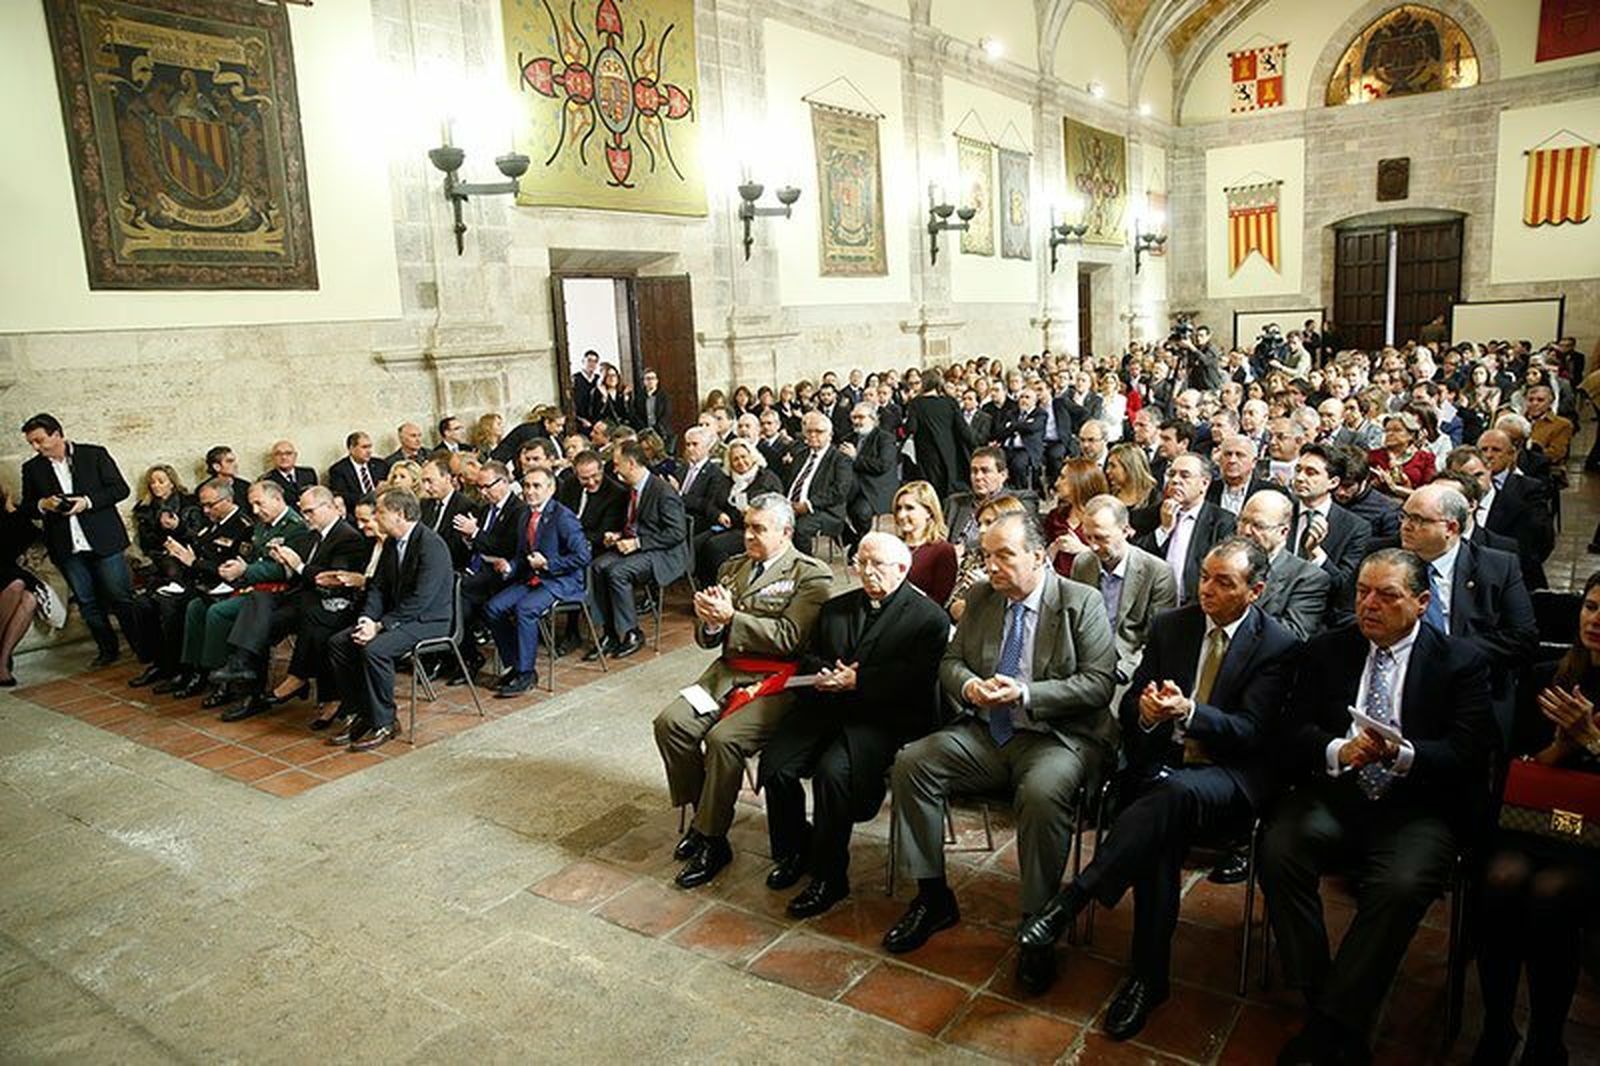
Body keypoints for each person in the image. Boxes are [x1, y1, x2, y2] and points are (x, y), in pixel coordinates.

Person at [1020, 538, 1297, 1039]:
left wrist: (1191, 713)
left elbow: (1253, 732)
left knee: (1168, 800)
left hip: (1227, 778)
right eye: (1204, 576)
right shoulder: (1174, 625)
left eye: (1224, 583)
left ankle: (1073, 900)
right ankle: (1148, 979)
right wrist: (1147, 713)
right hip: (1162, 769)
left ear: (1254, 591)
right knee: (1159, 831)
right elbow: (1131, 705)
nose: (1207, 589)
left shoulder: (1276, 645)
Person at [1264, 550, 1495, 1066]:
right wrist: (1338, 750)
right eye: (1362, 592)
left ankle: (1331, 1021)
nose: (1369, 605)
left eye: (1387, 596)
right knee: (1279, 851)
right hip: (1340, 794)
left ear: (1422, 601)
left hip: (1418, 807)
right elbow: (1291, 730)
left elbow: (1467, 753)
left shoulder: (1460, 662)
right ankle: (1325, 994)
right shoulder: (1328, 649)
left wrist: (1403, 754)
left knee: (1401, 885)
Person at [884, 511, 1117, 995]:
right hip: (989, 731)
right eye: (987, 556)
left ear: (1038, 556)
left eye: (1004, 555)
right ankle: (932, 897)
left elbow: (1098, 684)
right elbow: (951, 662)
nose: (991, 566)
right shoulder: (983, 598)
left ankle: (1038, 923)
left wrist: (1027, 694)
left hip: (1056, 735)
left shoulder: (1080, 601)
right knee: (912, 762)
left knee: (1042, 792)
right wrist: (970, 686)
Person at [759, 533, 950, 917]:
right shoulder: (837, 608)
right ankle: (797, 850)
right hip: (826, 708)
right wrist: (823, 674)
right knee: (776, 765)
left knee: (833, 774)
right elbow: (810, 657)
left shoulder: (929, 618)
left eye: (876, 564)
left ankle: (830, 876)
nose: (866, 571)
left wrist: (859, 681)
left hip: (881, 718)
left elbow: (916, 680)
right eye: (861, 562)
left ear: (902, 568)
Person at [653, 494, 833, 888]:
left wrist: (733, 617)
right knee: (670, 724)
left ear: (786, 532)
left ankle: (712, 839)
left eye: (759, 529)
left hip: (778, 681)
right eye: (746, 526)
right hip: (726, 674)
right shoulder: (732, 567)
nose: (748, 535)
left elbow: (791, 638)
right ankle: (703, 816)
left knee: (724, 740)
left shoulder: (810, 575)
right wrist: (711, 623)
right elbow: (708, 639)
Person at [1473, 572, 1600, 1066]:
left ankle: (1547, 1039)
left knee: (1551, 893)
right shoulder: (1549, 675)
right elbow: (1520, 763)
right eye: (1591, 607)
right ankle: (1497, 1026)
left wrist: (1591, 739)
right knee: (1501, 879)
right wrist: (1564, 745)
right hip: (1537, 821)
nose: (1595, 620)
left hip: (1591, 835)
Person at [209, 485, 369, 720]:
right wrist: (284, 561)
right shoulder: (313, 535)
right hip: (301, 598)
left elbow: (333, 580)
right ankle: (243, 665)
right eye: (303, 511)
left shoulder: (348, 537)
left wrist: (298, 565)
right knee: (257, 601)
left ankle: (261, 683)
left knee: (261, 623)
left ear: (328, 507)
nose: (305, 517)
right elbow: (295, 574)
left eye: (310, 511)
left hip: (327, 603)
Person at [1399, 483, 1537, 745]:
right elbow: (1348, 615)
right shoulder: (1383, 557)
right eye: (1404, 516)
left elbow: (1522, 639)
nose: (1406, 526)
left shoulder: (1497, 567)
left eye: (1418, 520)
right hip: (1397, 676)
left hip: (1470, 684)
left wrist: (1444, 652)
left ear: (1451, 528)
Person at [326, 488, 454, 752]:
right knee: (340, 643)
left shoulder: (432, 545)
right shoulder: (392, 543)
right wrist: (366, 619)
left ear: (400, 514)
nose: (375, 517)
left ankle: (385, 722)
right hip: (398, 617)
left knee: (376, 650)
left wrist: (380, 625)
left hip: (428, 621)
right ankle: (361, 713)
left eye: (381, 512)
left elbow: (422, 599)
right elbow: (378, 588)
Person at [19, 413, 139, 666]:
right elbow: (28, 507)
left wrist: (87, 502)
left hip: (104, 540)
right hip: (66, 547)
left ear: (56, 434)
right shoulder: (32, 468)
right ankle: (107, 651)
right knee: (87, 602)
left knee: (120, 597)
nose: (36, 447)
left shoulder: (94, 454)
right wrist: (43, 504)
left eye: (39, 440)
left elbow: (120, 489)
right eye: (31, 443)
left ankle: (142, 648)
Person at [180, 479, 309, 709]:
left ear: (277, 499)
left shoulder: (295, 527)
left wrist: (246, 570)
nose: (255, 510)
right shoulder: (261, 525)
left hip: (277, 593)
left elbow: (284, 571)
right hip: (249, 585)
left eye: (260, 504)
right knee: (196, 606)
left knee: (219, 612)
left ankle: (223, 679)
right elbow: (251, 555)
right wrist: (238, 567)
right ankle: (196, 669)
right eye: (252, 505)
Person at [483, 466, 590, 696]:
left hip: (561, 580)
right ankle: (515, 664)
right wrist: (511, 566)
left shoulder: (563, 517)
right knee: (493, 608)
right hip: (533, 577)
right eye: (526, 486)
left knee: (525, 609)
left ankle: (526, 673)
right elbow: (524, 554)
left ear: (550, 489)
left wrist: (549, 564)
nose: (529, 491)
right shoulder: (525, 515)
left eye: (536, 486)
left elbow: (583, 556)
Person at [143, 479, 255, 694]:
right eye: (203, 505)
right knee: (146, 603)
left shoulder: (243, 527)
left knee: (176, 606)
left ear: (228, 500)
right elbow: (199, 546)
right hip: (198, 580)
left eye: (210, 505)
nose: (205, 510)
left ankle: (191, 670)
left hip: (222, 585)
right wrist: (182, 553)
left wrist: (194, 562)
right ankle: (166, 665)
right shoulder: (211, 522)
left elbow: (229, 568)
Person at [1068, 495, 1177, 701]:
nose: (1093, 546)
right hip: (1082, 663)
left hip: (1127, 668)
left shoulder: (1157, 573)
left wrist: (1124, 670)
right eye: (1088, 537)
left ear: (1126, 531)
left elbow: (1156, 641)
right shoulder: (1083, 564)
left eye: (1101, 538)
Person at [587, 441, 688, 660]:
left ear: (631, 464)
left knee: (617, 572)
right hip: (636, 547)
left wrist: (638, 543)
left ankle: (631, 632)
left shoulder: (663, 491)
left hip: (663, 553)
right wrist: (618, 535)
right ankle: (609, 632)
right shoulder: (630, 490)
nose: (614, 469)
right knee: (596, 567)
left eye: (617, 464)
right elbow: (635, 523)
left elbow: (676, 533)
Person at [1135, 453, 1236, 605]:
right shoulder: (1152, 513)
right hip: (1155, 603)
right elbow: (1138, 559)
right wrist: (1163, 530)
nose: (1175, 480)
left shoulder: (1222, 521)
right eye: (1172, 474)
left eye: (1185, 476)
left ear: (1204, 484)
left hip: (1198, 605)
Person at [1289, 444, 1371, 618]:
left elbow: (1344, 589)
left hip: (1323, 615)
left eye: (1311, 472)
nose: (1300, 478)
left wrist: (1316, 552)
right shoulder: (1281, 511)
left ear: (1333, 482)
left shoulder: (1355, 528)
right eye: (1298, 470)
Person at [1236, 490, 1331, 641]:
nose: (1246, 531)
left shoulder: (1308, 578)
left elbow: (1293, 635)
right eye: (1243, 521)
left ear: (1283, 532)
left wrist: (1231, 619)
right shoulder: (1222, 562)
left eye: (1258, 525)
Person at [695, 440, 784, 587]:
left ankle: (726, 584)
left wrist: (754, 513)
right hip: (727, 525)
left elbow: (777, 507)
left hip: (753, 529)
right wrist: (719, 515)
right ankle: (705, 586)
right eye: (735, 459)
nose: (740, 462)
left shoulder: (767, 478)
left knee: (715, 546)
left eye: (744, 457)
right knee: (696, 543)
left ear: (752, 456)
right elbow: (710, 505)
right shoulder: (726, 480)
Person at [782, 412, 853, 557]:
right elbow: (790, 484)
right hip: (792, 507)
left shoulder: (840, 459)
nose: (813, 435)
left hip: (825, 511)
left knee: (800, 529)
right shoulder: (800, 455)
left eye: (819, 431)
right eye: (809, 431)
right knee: (768, 523)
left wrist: (808, 505)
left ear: (830, 435)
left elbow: (840, 491)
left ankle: (806, 565)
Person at [943, 447, 1040, 553]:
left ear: (1003, 475)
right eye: (974, 471)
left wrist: (965, 548)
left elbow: (1014, 536)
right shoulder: (954, 502)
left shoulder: (1021, 499)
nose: (978, 477)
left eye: (985, 471)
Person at [890, 481, 958, 607]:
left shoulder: (943, 551)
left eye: (909, 508)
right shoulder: (891, 545)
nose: (901, 515)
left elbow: (938, 600)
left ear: (929, 512)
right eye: (898, 508)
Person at [0, 487, 42, 686]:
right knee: (16, 585)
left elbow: (29, 537)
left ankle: (2, 661)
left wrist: (10, 509)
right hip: (9, 576)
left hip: (8, 569)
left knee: (30, 599)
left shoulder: (10, 511)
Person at [842, 403, 899, 545]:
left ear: (873, 419)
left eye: (861, 417)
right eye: (854, 417)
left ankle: (862, 542)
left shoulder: (885, 438)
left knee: (861, 512)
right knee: (830, 509)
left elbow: (882, 465)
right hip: (852, 487)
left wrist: (855, 458)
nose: (856, 421)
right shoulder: (849, 438)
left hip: (875, 487)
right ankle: (852, 539)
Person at [1043, 459, 1108, 578]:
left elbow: (1113, 559)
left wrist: (1083, 551)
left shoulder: (1103, 519)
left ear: (1079, 481)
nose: (1057, 483)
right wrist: (1052, 549)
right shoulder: (1055, 516)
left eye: (1063, 478)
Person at [1368, 411, 1434, 499]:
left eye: (1397, 430)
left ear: (1411, 435)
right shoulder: (1373, 456)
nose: (1390, 434)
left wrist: (1397, 489)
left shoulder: (1425, 458)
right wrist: (1375, 483)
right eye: (1387, 430)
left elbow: (1427, 493)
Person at [1205, 435, 1272, 516]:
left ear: (1254, 462)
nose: (1232, 460)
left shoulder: (1270, 492)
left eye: (1239, 455)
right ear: (1219, 460)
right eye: (1228, 454)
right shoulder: (1206, 490)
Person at [326, 432, 390, 515]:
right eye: (364, 447)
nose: (369, 451)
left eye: (370, 447)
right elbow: (343, 497)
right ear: (351, 449)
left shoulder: (380, 465)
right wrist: (371, 496)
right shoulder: (339, 470)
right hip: (356, 512)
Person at [629, 368, 673, 445]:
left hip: (661, 432)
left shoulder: (664, 396)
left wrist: (656, 428)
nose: (650, 381)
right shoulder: (639, 397)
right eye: (648, 379)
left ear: (657, 381)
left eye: (653, 378)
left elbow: (667, 413)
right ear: (644, 381)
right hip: (644, 432)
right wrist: (644, 428)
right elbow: (635, 414)